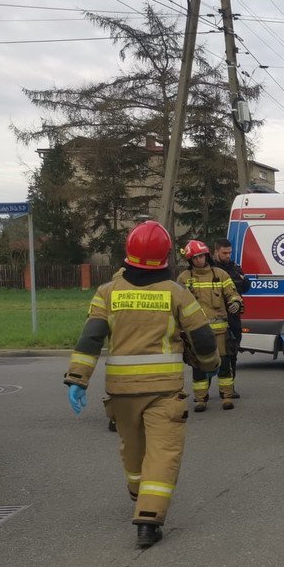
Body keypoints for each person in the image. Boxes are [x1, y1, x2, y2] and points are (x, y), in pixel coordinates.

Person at [64, 220, 220, 549]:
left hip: (121, 394)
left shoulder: (108, 292)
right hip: (164, 392)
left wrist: (78, 379)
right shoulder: (176, 292)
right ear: (165, 257)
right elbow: (204, 338)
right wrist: (210, 365)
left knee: (132, 452)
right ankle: (148, 520)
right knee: (163, 453)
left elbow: (91, 338)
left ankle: (138, 496)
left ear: (128, 253)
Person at [178, 240, 244, 411]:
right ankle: (201, 399)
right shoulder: (184, 278)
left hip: (221, 331)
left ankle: (227, 396)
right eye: (195, 257)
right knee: (198, 366)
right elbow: (176, 304)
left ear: (207, 255)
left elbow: (233, 293)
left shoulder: (220, 274)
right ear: (190, 260)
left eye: (201, 256)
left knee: (224, 363)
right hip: (196, 333)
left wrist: (235, 302)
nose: (199, 260)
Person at [212, 237, 251, 398]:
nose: (228, 256)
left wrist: (246, 281)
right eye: (224, 253)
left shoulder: (235, 268)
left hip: (233, 318)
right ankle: (203, 388)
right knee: (209, 353)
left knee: (232, 353)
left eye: (229, 252)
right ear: (216, 251)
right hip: (214, 317)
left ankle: (229, 387)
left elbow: (245, 287)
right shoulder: (210, 269)